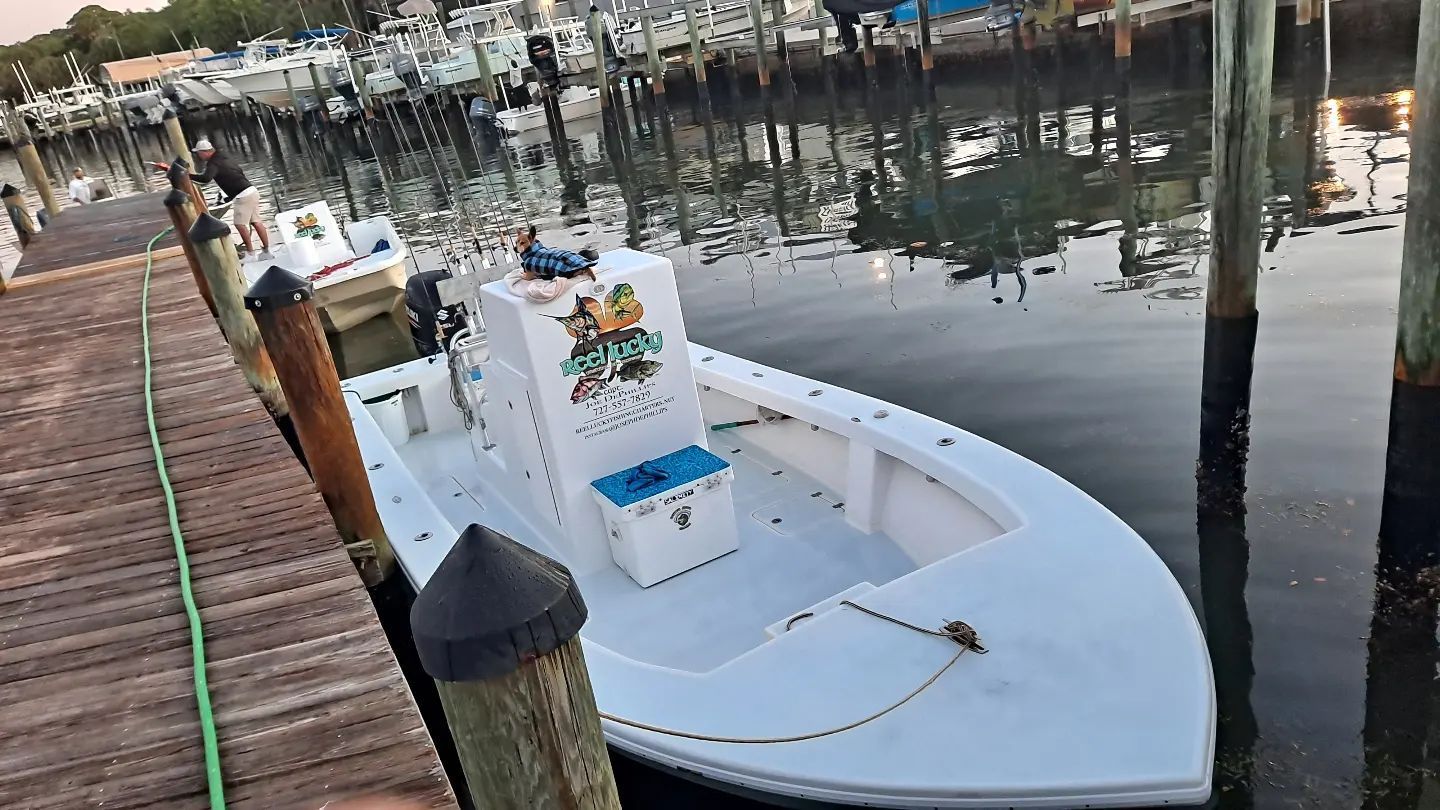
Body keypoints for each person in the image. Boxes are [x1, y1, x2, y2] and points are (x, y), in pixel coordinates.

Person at [187, 139, 271, 259]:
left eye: (199, 153)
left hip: (242, 195)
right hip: (251, 190)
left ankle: (250, 254)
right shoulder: (224, 156)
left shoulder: (213, 162)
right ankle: (267, 252)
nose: (199, 156)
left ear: (205, 152)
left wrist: (187, 176)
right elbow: (237, 171)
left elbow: (206, 179)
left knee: (239, 225)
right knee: (256, 222)